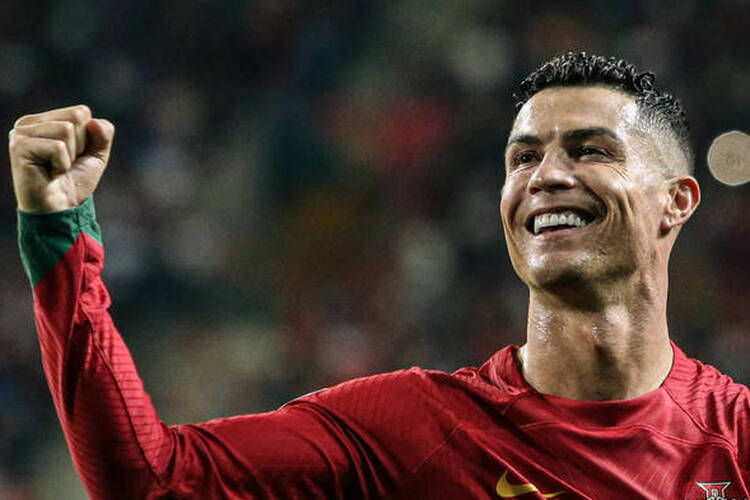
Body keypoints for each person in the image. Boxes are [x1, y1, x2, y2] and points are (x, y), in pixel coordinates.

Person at [8, 52, 749, 499]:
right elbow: (155, 481)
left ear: (676, 201)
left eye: (590, 150)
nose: (546, 175)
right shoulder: (411, 429)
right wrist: (58, 231)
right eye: (523, 157)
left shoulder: (737, 440)